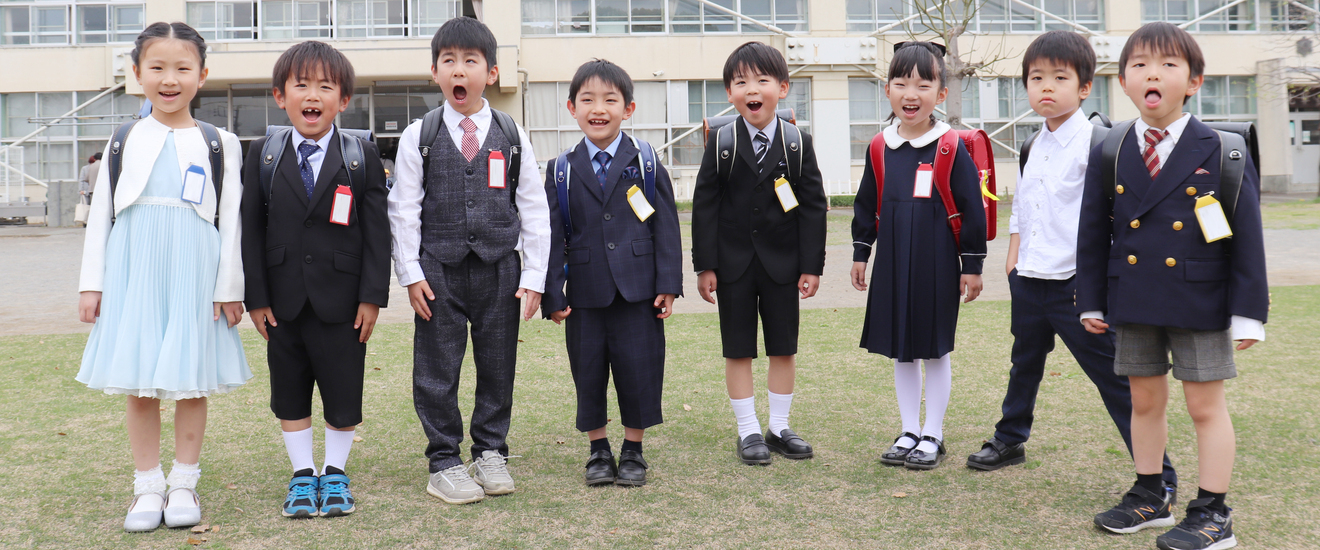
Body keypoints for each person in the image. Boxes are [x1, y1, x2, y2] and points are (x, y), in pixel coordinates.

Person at [965, 30, 1179, 494]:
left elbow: (1121, 220)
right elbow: (1023, 203)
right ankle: (1010, 439)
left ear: (1084, 87)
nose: (1046, 87)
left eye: (1059, 78)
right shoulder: (1030, 144)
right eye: (1036, 77)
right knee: (1024, 362)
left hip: (1077, 285)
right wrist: (1014, 258)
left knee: (1115, 378)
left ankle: (1158, 476)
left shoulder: (1101, 145)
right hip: (1031, 279)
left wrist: (1098, 286)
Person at [1080, 22, 1267, 550]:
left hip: (1200, 298)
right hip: (1134, 295)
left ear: (1194, 81)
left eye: (1167, 64)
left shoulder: (1223, 148)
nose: (1151, 74)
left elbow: (1246, 237)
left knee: (1206, 407)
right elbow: (1093, 231)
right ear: (1123, 81)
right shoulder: (1112, 147)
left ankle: (1213, 513)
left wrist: (1249, 313)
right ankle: (1150, 494)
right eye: (1139, 65)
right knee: (1144, 401)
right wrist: (1091, 298)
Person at [76, 22, 250, 532]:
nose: (169, 79)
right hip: (134, 266)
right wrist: (93, 284)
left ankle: (184, 483)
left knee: (191, 379)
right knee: (141, 381)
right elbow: (103, 213)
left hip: (195, 268)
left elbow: (232, 220)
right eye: (157, 68)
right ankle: (147, 486)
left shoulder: (221, 142)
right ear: (137, 73)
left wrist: (229, 287)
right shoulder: (123, 138)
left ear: (203, 75)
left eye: (182, 68)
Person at [388, 16, 549, 504]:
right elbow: (403, 210)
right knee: (438, 367)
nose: (460, 70)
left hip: (502, 265)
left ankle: (491, 450)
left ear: (492, 73)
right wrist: (411, 274)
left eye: (471, 61)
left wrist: (536, 275)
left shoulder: (512, 133)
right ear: (434, 72)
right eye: (449, 61)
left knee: (498, 363)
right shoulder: (420, 134)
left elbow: (535, 207)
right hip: (438, 268)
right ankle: (444, 460)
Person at [241, 41, 390, 519]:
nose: (313, 95)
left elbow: (377, 233)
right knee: (289, 389)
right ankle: (303, 475)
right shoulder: (262, 154)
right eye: (300, 85)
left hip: (343, 300)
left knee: (343, 388)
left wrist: (372, 297)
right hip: (281, 300)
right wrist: (256, 297)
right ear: (280, 96)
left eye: (325, 86)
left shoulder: (360, 154)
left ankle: (336, 472)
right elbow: (251, 230)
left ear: (343, 100)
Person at [541, 59, 683, 487]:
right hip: (584, 292)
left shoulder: (644, 160)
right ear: (571, 108)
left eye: (609, 99)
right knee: (587, 371)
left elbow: (666, 225)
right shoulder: (560, 168)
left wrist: (668, 284)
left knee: (640, 368)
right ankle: (598, 449)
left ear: (629, 108)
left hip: (639, 290)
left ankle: (634, 450)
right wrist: (552, 292)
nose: (598, 108)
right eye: (587, 99)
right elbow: (551, 235)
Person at [849, 41, 987, 471]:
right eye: (901, 83)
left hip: (938, 263)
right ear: (887, 91)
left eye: (923, 84)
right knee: (901, 351)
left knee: (934, 350)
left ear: (941, 94)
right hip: (892, 261)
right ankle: (909, 429)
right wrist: (860, 253)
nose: (912, 93)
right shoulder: (879, 147)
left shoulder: (949, 146)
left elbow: (972, 208)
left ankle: (933, 434)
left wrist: (972, 266)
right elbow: (865, 204)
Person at [691, 41, 827, 466]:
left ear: (782, 88)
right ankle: (748, 429)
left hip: (784, 265)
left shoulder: (797, 142)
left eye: (762, 80)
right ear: (730, 93)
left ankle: (780, 426)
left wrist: (811, 266)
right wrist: (705, 266)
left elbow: (813, 206)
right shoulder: (722, 142)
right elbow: (704, 206)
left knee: (783, 347)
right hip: (732, 266)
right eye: (740, 81)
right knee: (738, 348)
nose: (752, 89)